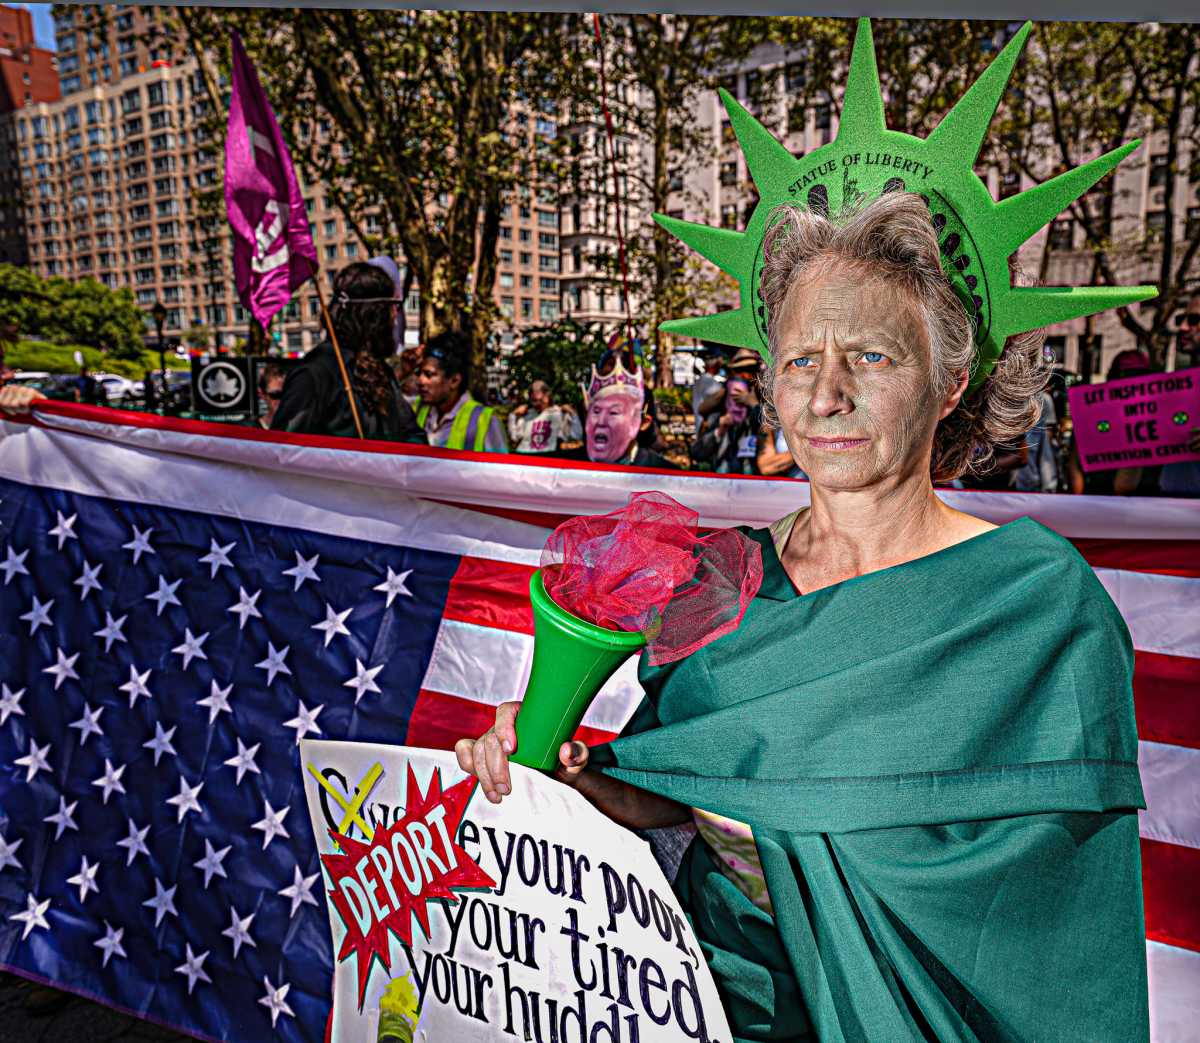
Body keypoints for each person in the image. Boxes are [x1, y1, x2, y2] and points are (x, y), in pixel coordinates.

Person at [456, 192, 1146, 1040]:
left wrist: (775, 849)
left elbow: (1050, 916)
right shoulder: (718, 576)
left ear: (949, 381)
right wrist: (572, 778)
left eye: (872, 357)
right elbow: (677, 793)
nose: (826, 396)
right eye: (797, 361)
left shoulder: (1036, 601)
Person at [271, 263, 425, 443]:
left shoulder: (380, 369)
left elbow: (411, 433)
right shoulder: (314, 374)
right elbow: (282, 451)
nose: (395, 316)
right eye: (393, 306)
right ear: (372, 314)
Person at [556, 349, 676, 469]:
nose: (601, 421)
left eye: (613, 412)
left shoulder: (662, 475)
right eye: (596, 411)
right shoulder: (564, 468)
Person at [1065, 349, 1161, 495]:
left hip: (1142, 501)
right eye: (1125, 377)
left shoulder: (1155, 415)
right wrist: (1079, 503)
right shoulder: (1091, 411)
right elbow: (1074, 464)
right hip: (1098, 499)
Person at [414, 331, 508, 452]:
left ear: (454, 381)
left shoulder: (485, 421)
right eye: (419, 373)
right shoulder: (416, 410)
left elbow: (500, 470)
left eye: (429, 375)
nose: (420, 381)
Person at [691, 347, 763, 474]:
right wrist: (720, 430)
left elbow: (766, 428)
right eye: (739, 372)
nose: (745, 376)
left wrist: (753, 404)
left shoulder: (765, 406)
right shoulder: (721, 412)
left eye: (750, 371)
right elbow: (697, 452)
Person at [1159, 291, 1200, 496]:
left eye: (1194, 320)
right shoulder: (1173, 386)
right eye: (1180, 319)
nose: (1182, 327)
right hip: (1170, 506)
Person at [507, 380, 581, 454]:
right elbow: (514, 437)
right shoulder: (527, 414)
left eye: (537, 391)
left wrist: (573, 414)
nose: (533, 394)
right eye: (532, 392)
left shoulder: (559, 413)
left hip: (546, 459)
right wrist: (513, 415)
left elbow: (576, 436)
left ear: (547, 395)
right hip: (523, 457)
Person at [1013, 386, 1059, 492]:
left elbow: (1046, 448)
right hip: (999, 484)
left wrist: (1048, 485)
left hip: (1028, 482)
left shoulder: (1042, 400)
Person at [691, 344, 726, 436]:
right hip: (706, 428)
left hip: (701, 426)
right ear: (716, 364)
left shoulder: (702, 380)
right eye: (720, 363)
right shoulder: (709, 382)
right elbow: (720, 397)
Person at [256, 363, 285, 430]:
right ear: (262, 394)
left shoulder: (299, 428)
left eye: (286, 394)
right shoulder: (250, 430)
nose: (281, 399)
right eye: (275, 394)